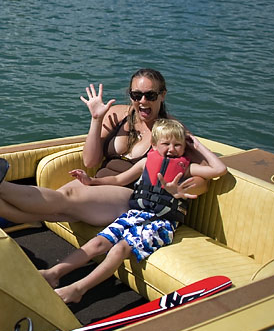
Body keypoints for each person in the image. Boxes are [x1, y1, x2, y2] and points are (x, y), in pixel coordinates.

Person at [0, 69, 211, 227]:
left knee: (67, 197)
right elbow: (89, 160)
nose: (142, 101)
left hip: (128, 195)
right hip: (98, 182)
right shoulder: (117, 116)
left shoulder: (173, 132)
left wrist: (177, 189)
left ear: (162, 95)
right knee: (56, 212)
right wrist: (96, 120)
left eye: (150, 95)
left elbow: (202, 176)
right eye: (136, 95)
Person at [39, 118, 227, 303]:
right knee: (97, 243)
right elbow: (118, 180)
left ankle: (78, 289)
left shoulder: (187, 169)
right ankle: (54, 273)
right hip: (134, 215)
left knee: (120, 249)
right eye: (166, 143)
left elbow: (219, 169)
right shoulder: (146, 163)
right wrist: (91, 181)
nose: (171, 149)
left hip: (162, 223)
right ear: (153, 145)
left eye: (178, 145)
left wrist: (198, 145)